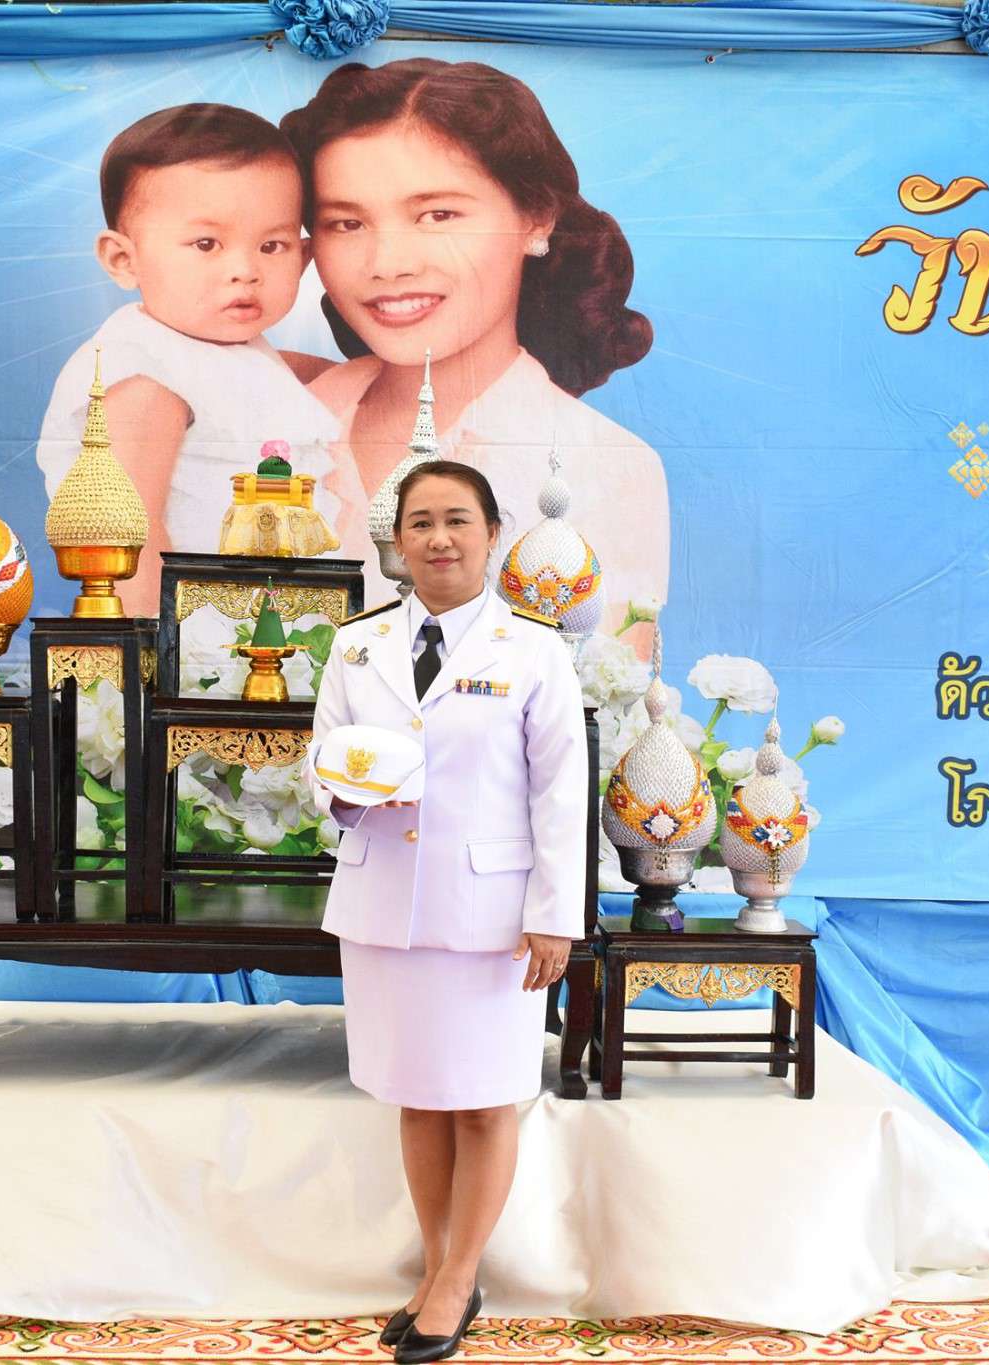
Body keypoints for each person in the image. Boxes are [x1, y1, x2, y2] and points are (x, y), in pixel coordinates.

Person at [302, 460, 586, 1364]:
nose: (439, 538)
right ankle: (435, 1267)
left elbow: (560, 794)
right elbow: (322, 763)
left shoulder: (534, 650)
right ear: (397, 541)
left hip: (492, 914)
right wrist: (349, 793)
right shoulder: (356, 647)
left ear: (493, 533)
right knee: (419, 1098)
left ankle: (461, 1278)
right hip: (383, 902)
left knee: (486, 1101)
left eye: (457, 519)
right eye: (420, 522)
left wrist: (555, 916)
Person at [281, 58, 670, 634]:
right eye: (346, 224)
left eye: (437, 214)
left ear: (536, 217)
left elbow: (603, 683)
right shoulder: (272, 419)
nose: (388, 263)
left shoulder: (607, 464)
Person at [35, 103, 341, 616]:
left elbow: (276, 381)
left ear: (304, 258)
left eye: (272, 246)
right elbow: (129, 535)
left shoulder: (229, 350)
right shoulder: (142, 377)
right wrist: (152, 651)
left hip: (275, 614)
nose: (244, 269)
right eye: (206, 244)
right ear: (123, 259)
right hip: (197, 628)